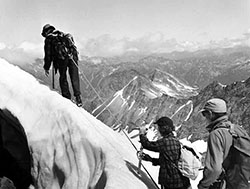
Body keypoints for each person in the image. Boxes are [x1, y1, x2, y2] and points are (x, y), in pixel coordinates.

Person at [198, 98, 250, 189]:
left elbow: (214, 169)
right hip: (244, 181)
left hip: (229, 184)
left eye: (204, 114)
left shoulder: (216, 134)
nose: (204, 117)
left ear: (210, 114)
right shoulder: (238, 129)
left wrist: (203, 185)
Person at [139, 117, 191, 189]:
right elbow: (168, 161)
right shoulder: (176, 141)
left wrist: (142, 134)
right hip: (184, 182)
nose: (158, 129)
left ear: (163, 128)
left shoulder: (165, 142)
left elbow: (147, 145)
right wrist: (150, 159)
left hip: (172, 183)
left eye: (159, 127)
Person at [41, 24, 82, 107]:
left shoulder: (49, 38)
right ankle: (78, 97)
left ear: (46, 32)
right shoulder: (62, 34)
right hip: (72, 56)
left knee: (63, 77)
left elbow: (48, 55)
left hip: (61, 59)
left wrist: (46, 67)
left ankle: (67, 98)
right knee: (74, 76)